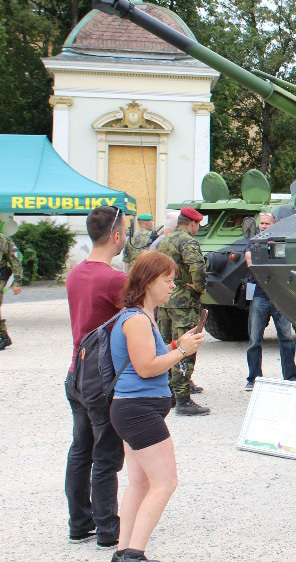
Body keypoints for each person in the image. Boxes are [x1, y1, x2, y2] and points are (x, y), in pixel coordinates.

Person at [110, 251, 206, 562]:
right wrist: (182, 353)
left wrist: (178, 344)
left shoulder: (140, 316)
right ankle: (135, 554)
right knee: (165, 482)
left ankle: (123, 550)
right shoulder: (137, 319)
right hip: (138, 410)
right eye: (167, 280)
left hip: (133, 409)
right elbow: (147, 367)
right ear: (148, 281)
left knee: (140, 482)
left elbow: (149, 355)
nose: (172, 286)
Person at [64, 206, 128, 550]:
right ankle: (107, 530)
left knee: (80, 451)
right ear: (116, 236)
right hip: (100, 377)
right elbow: (133, 322)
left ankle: (79, 524)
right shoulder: (114, 279)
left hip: (75, 371)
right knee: (105, 455)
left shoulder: (74, 275)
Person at [156, 206, 210, 416]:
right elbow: (197, 266)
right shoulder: (188, 241)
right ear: (192, 223)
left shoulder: (165, 240)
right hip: (184, 304)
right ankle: (183, 399)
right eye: (197, 225)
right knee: (186, 348)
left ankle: (168, 393)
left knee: (167, 346)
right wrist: (199, 287)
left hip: (165, 301)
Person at [244, 212, 296, 390]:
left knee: (286, 339)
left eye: (267, 223)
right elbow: (250, 261)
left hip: (280, 296)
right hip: (260, 295)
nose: (263, 226)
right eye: (261, 223)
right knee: (254, 339)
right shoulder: (253, 241)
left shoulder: (282, 240)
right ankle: (254, 378)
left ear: (274, 224)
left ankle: (290, 377)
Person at [0, 229, 22, 350]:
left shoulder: (4, 240)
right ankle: (3, 336)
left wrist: (17, 281)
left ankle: (3, 337)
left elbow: (14, 260)